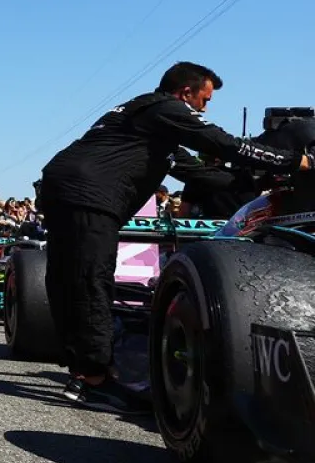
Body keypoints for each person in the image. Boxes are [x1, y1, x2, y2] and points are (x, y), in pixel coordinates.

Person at [38, 61, 310, 412]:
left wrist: (260, 184)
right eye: (204, 100)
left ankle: (84, 369)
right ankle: (95, 381)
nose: (205, 108)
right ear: (186, 92)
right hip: (88, 194)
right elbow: (225, 143)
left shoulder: (152, 127)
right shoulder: (164, 108)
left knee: (70, 279)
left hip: (66, 189)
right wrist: (297, 162)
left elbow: (200, 175)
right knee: (91, 280)